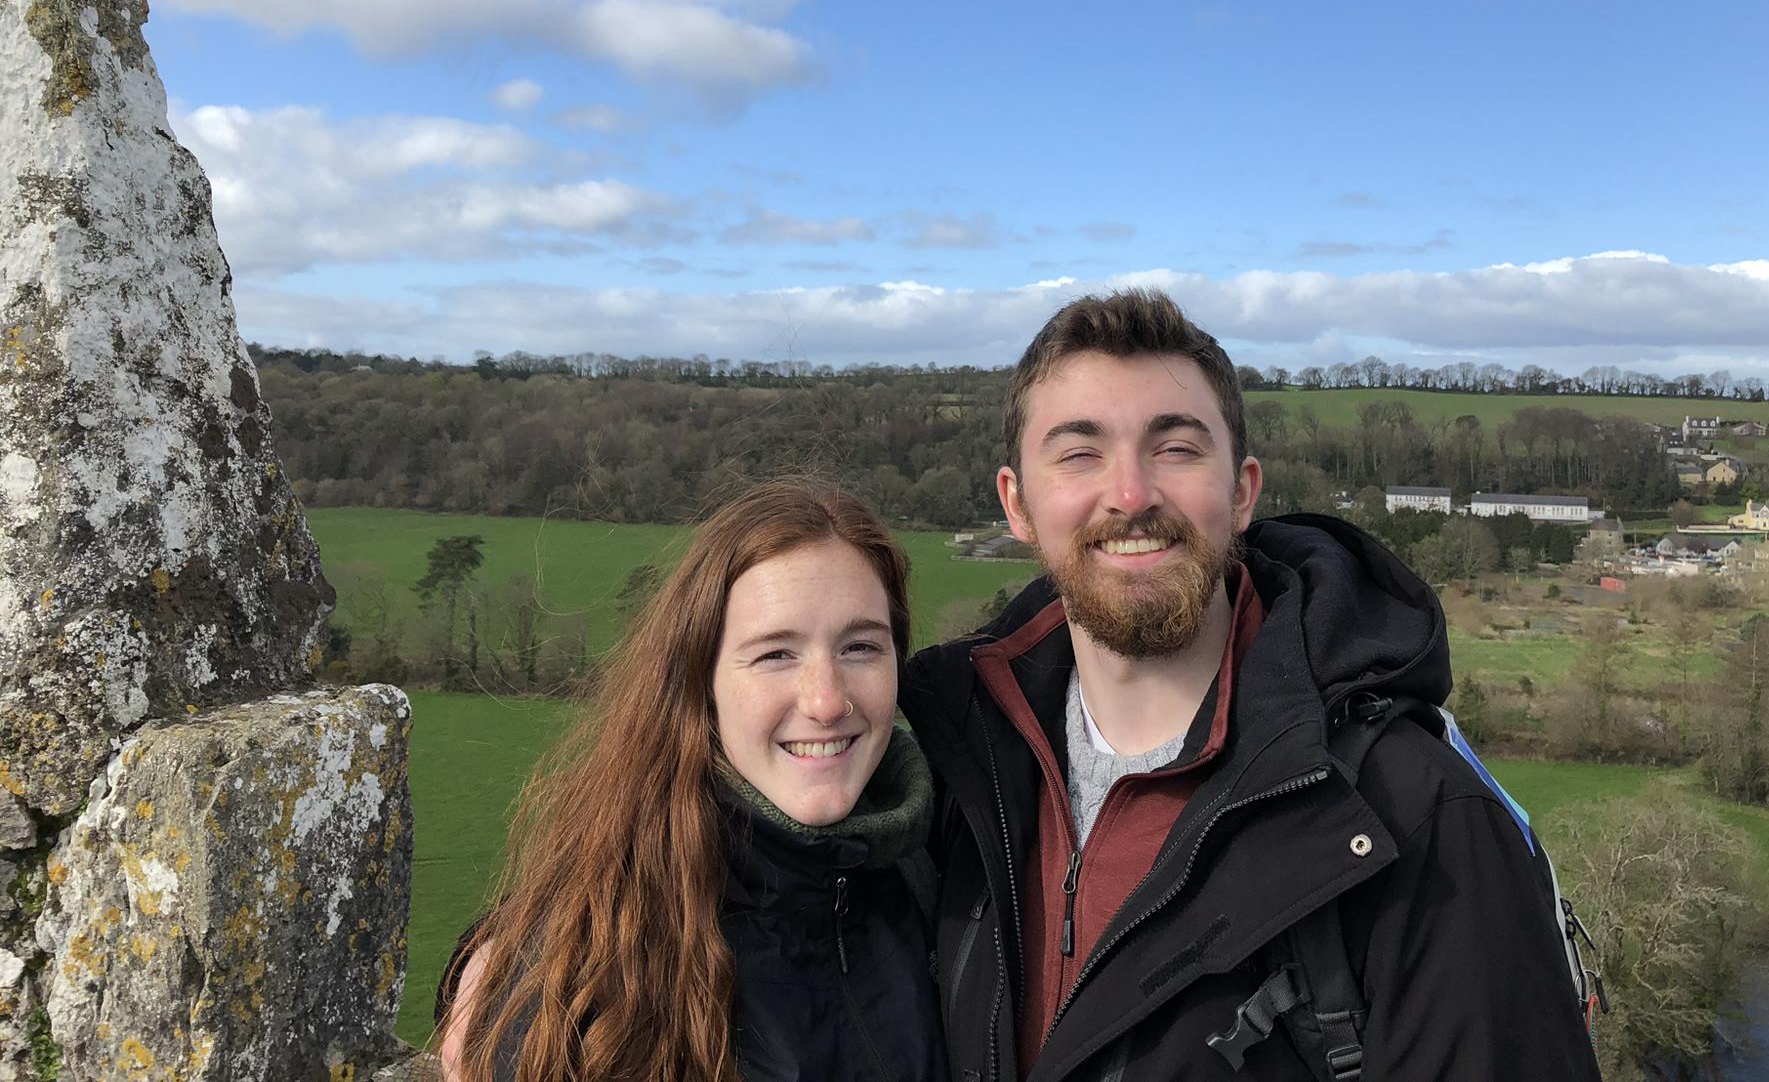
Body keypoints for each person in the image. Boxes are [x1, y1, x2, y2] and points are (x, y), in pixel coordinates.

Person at [901, 291, 1601, 1081]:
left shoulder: (1416, 820)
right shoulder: (955, 771)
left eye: (1176, 449)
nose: (1131, 496)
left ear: (1241, 491)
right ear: (1017, 504)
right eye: (1079, 453)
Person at [438, 480, 949, 1082]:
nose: (827, 700)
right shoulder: (585, 969)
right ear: (699, 685)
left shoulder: (945, 874)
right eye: (775, 654)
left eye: (861, 646)